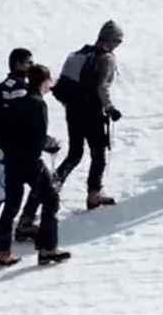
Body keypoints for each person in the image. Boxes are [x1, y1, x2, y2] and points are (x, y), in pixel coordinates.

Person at [0, 47, 54, 252]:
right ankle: (22, 227)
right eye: (28, 63)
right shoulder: (21, 89)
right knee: (27, 192)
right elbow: (26, 123)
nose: (31, 66)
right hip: (16, 148)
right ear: (17, 63)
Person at [0, 64, 70, 267]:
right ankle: (47, 248)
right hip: (30, 161)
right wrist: (50, 145)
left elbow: (3, 132)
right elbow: (37, 136)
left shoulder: (16, 102)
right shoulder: (38, 104)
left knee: (11, 205)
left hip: (11, 160)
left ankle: (3, 252)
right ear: (44, 82)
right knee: (51, 199)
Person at [51, 20, 123, 210]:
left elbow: (62, 83)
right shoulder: (107, 59)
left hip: (72, 110)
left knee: (75, 153)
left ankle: (53, 186)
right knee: (98, 154)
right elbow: (103, 87)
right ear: (112, 40)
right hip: (92, 112)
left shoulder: (76, 55)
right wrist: (110, 108)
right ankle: (94, 194)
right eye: (118, 41)